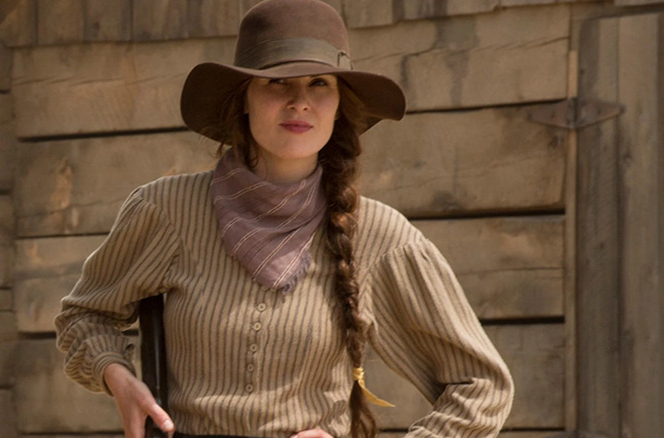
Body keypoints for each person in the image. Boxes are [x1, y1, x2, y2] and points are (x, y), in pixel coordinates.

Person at [54, 1, 514, 437]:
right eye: (276, 82)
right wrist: (119, 380)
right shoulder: (166, 210)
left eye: (319, 84)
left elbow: (482, 387)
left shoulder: (379, 235)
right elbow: (85, 315)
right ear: (244, 99)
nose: (300, 101)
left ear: (339, 105)